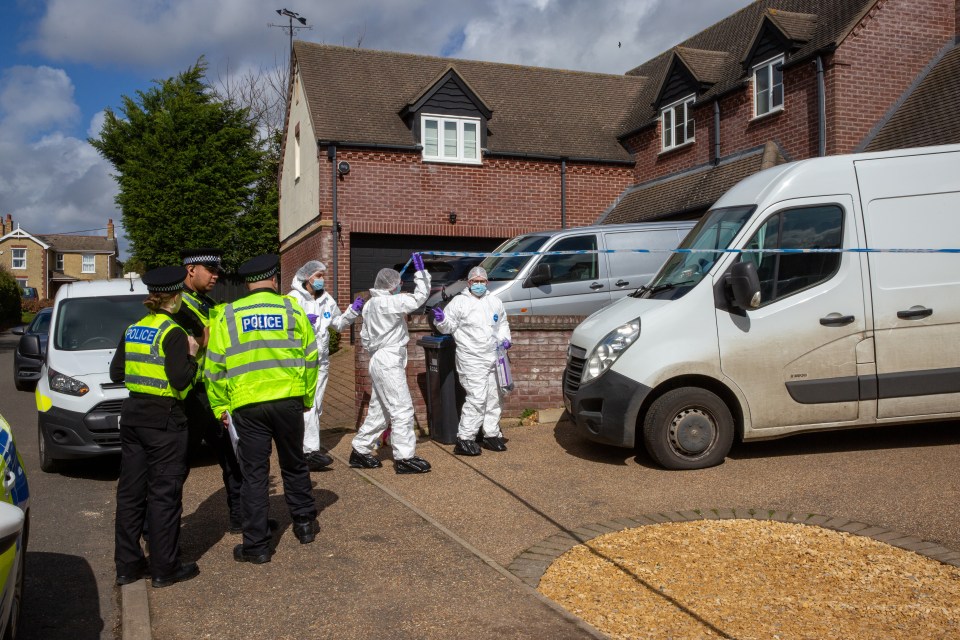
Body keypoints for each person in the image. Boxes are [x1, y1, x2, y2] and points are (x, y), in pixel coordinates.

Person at [205, 254, 319, 564]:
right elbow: (311, 357)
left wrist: (220, 406)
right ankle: (305, 524)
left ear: (247, 283)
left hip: (247, 405)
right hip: (288, 400)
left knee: (254, 475)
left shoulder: (227, 315)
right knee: (294, 463)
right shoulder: (291, 309)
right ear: (274, 279)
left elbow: (213, 368)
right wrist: (306, 397)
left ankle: (256, 546)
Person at [111, 266, 201, 588]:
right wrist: (192, 355)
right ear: (175, 297)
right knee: (164, 494)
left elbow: (116, 373)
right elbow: (179, 379)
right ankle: (165, 569)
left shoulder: (134, 328)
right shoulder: (174, 333)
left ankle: (127, 566)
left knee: (131, 493)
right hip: (164, 421)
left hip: (133, 416)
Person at [172, 247, 244, 533]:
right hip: (190, 397)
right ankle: (162, 532)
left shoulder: (207, 303)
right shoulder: (179, 304)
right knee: (177, 467)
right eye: (210, 270)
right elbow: (198, 343)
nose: (216, 276)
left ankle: (242, 519)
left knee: (233, 459)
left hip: (213, 393)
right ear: (191, 270)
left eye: (217, 271)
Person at [349, 254, 432, 474]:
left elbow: (365, 337)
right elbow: (420, 296)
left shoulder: (369, 306)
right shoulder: (392, 302)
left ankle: (360, 449)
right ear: (392, 286)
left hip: (377, 359)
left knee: (380, 410)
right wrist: (421, 273)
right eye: (398, 284)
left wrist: (378, 349)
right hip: (389, 360)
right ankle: (405, 457)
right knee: (402, 408)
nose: (400, 287)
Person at [287, 260, 364, 471]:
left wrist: (352, 312)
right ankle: (309, 452)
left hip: (321, 361)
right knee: (308, 405)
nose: (322, 280)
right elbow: (286, 331)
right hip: (301, 361)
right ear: (307, 277)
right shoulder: (293, 299)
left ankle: (304, 448)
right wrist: (305, 326)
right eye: (319, 275)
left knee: (317, 405)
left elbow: (337, 324)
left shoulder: (326, 299)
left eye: (323, 276)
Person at [433, 265, 512, 456]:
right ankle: (465, 438)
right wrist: (441, 320)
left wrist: (505, 339)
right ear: (468, 283)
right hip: (471, 358)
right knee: (477, 398)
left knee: (495, 397)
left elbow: (502, 323)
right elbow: (448, 327)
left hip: (493, 357)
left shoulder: (494, 301)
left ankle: (491, 434)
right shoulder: (459, 302)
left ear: (487, 282)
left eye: (481, 281)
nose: (478, 284)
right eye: (475, 281)